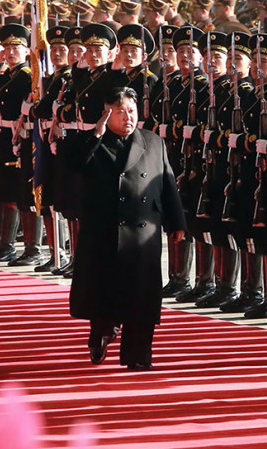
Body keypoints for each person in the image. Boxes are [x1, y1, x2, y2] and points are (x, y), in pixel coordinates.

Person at [68, 87, 187, 371]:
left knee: (142, 295)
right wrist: (94, 135)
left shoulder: (153, 142)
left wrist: (177, 222)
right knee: (104, 291)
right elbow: (73, 165)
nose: (127, 117)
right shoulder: (91, 142)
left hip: (143, 232)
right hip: (103, 230)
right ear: (107, 114)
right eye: (119, 112)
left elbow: (167, 183)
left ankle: (138, 355)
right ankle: (102, 333)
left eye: (131, 111)